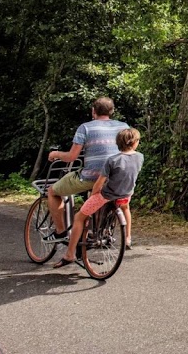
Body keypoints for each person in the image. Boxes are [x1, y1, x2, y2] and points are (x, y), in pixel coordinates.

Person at [54, 128, 143, 268]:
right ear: (134, 143)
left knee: (79, 217)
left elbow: (99, 183)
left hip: (107, 195)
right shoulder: (140, 157)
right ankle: (127, 238)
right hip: (126, 194)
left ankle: (70, 254)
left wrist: (94, 193)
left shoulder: (112, 160)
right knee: (126, 208)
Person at [46, 97, 129, 244]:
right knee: (98, 193)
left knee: (52, 191)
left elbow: (72, 157)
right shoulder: (123, 126)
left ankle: (60, 232)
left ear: (93, 111)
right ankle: (97, 232)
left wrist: (56, 154)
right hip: (116, 177)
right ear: (112, 111)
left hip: (92, 177)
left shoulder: (85, 127)